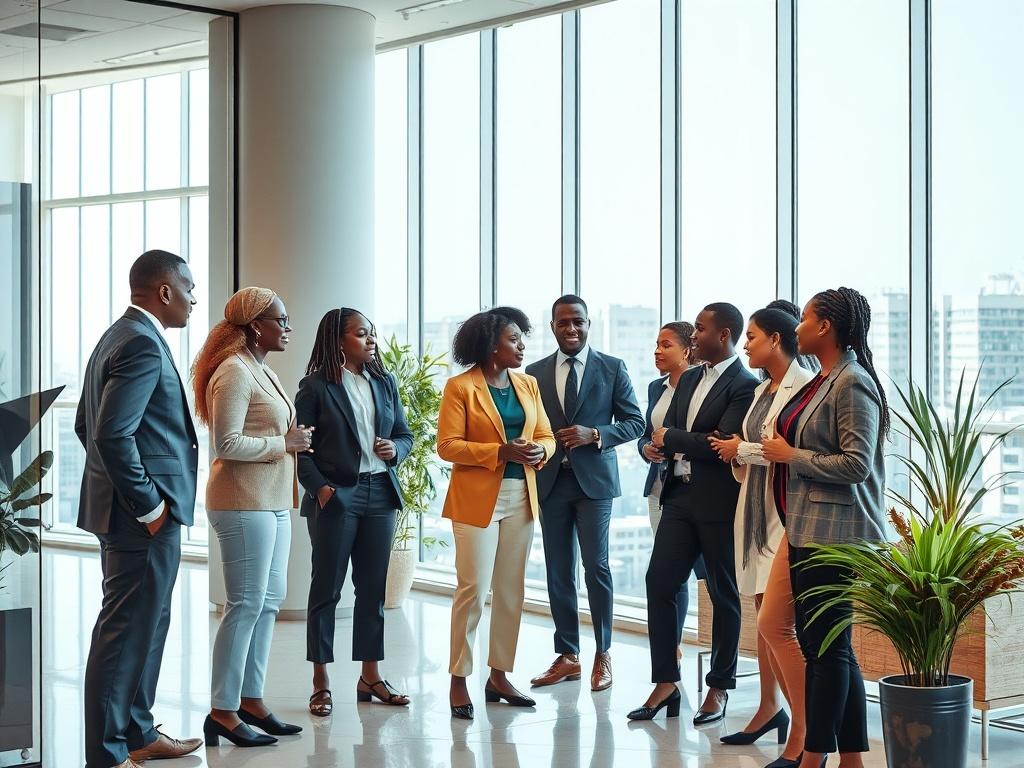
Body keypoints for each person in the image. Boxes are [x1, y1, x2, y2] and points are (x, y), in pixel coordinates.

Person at [76, 250, 202, 768]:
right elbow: (109, 433)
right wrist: (149, 504)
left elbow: (89, 428)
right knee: (125, 629)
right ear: (165, 291)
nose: (195, 298)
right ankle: (108, 755)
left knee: (146, 624)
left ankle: (137, 732)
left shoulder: (118, 336)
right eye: (189, 288)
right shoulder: (142, 345)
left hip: (127, 513)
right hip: (141, 519)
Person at [762, 287, 888, 768]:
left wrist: (790, 455)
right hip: (808, 529)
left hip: (835, 536)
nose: (797, 327)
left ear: (825, 327)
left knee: (825, 652)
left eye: (805, 318)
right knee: (833, 651)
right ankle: (852, 758)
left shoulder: (851, 382)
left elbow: (857, 464)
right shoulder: (826, 378)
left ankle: (814, 758)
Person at [630, 302, 758, 724]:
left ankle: (719, 687)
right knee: (659, 582)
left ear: (723, 335)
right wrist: (658, 444)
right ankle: (665, 682)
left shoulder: (744, 384)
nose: (695, 335)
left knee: (723, 595)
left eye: (700, 329)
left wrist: (674, 437)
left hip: (720, 503)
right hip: (678, 496)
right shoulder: (687, 380)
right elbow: (675, 438)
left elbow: (723, 444)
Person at [192, 287, 308, 747]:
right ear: (256, 325)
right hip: (241, 503)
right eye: (280, 320)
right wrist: (285, 445)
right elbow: (226, 444)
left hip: (274, 500)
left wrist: (290, 439)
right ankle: (223, 710)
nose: (287, 327)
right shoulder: (234, 372)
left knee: (268, 600)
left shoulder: (261, 368)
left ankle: (251, 700)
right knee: (245, 603)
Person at [709, 302, 816, 768]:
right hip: (751, 511)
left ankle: (804, 728)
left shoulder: (804, 386)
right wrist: (737, 456)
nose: (746, 344)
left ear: (776, 339)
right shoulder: (761, 389)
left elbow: (790, 451)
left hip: (783, 514)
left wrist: (743, 448)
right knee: (762, 617)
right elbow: (756, 451)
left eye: (752, 336)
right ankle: (770, 708)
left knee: (778, 625)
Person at [437, 307, 557, 720]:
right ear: (491, 346)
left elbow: (544, 434)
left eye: (523, 338)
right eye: (515, 339)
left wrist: (543, 451)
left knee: (511, 590)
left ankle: (499, 675)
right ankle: (458, 678)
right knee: (472, 589)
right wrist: (499, 452)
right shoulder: (460, 388)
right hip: (476, 500)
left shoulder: (528, 384)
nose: (523, 345)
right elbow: (447, 446)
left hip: (521, 495)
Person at [295, 308, 414, 717]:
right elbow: (301, 451)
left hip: (380, 493)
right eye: (361, 334)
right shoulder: (314, 387)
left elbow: (405, 433)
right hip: (337, 497)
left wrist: (395, 450)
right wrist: (324, 491)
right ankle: (321, 682)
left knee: (372, 591)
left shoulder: (384, 382)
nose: (370, 340)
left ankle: (370, 676)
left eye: (372, 334)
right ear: (338, 339)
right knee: (326, 589)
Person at [526, 295, 645, 692]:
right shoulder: (533, 373)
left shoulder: (612, 368)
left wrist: (595, 435)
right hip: (550, 483)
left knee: (597, 567)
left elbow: (634, 423)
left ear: (588, 324)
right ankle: (567, 655)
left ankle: (603, 653)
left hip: (594, 485)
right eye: (563, 323)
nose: (571, 329)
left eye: (578, 322)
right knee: (559, 571)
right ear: (553, 327)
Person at [638, 321, 705, 659]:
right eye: (656, 344)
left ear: (687, 350)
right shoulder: (656, 387)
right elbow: (647, 432)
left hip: (695, 490)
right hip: (659, 488)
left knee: (695, 572)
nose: (657, 351)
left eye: (666, 345)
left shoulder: (702, 389)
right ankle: (672, 644)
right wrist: (645, 448)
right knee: (669, 571)